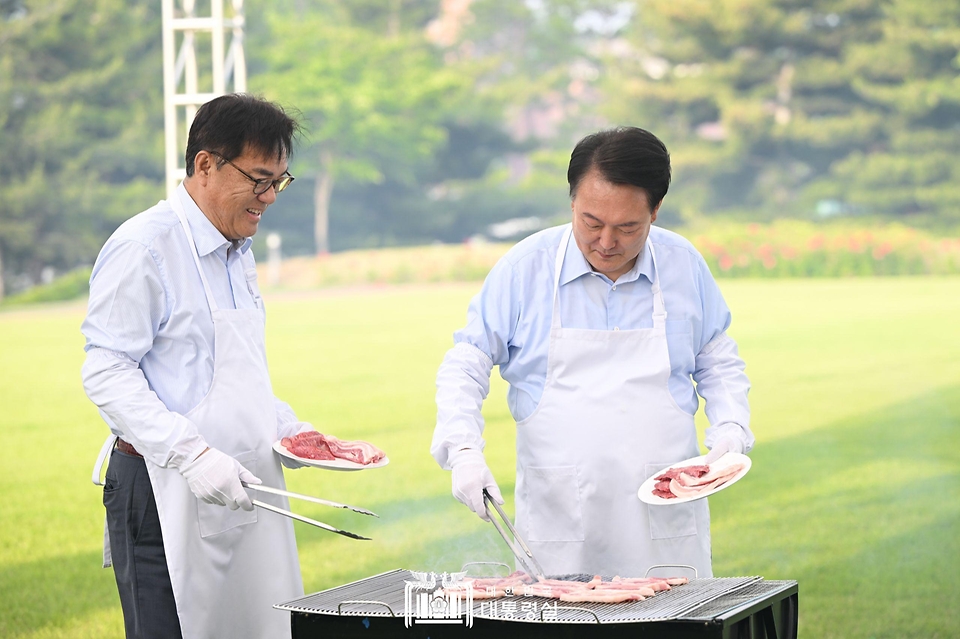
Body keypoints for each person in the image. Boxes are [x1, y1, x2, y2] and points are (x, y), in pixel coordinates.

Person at [431, 126, 754, 579]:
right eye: (591, 222)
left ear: (656, 211)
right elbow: (466, 363)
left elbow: (718, 360)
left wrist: (731, 431)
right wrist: (463, 449)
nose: (606, 242)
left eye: (627, 227)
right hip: (559, 518)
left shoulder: (683, 265)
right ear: (571, 202)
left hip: (666, 519)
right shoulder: (526, 269)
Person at [82, 93, 315, 639]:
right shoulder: (145, 247)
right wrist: (192, 456)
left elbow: (233, 375)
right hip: (162, 484)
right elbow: (107, 371)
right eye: (259, 180)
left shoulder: (239, 247)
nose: (270, 198)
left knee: (255, 626)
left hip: (245, 482)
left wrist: (289, 430)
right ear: (205, 164)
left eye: (280, 181)